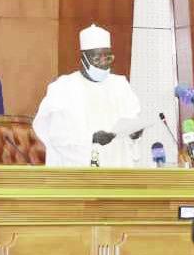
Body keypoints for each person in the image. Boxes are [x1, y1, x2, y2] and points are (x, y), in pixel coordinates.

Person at [32, 24, 143, 167]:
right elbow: (57, 138)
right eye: (97, 59)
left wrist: (134, 135)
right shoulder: (63, 88)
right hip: (77, 175)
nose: (103, 64)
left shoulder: (120, 85)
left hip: (116, 170)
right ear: (82, 58)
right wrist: (92, 140)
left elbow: (131, 121)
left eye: (108, 58)